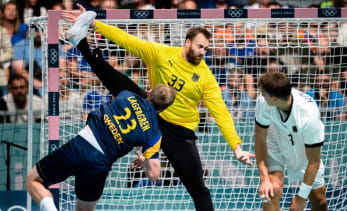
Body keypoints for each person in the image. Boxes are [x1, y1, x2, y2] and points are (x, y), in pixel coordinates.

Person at [62, 9, 255, 211]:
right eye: (199, 47)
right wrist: (95, 25)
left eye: (205, 49)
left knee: (199, 189)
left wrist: (236, 147)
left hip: (179, 131)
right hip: (151, 110)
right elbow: (129, 41)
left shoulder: (206, 77)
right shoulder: (162, 54)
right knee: (114, 78)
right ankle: (81, 41)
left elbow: (221, 113)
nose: (202, 52)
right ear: (187, 42)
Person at [25, 44, 177, 210]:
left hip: (81, 145)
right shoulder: (155, 133)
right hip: (100, 164)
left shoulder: (127, 93)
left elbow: (110, 78)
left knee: (33, 180)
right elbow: (154, 175)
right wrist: (144, 161)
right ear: (163, 109)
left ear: (149, 92)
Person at [254, 72, 328, 211]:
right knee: (272, 191)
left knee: (318, 198)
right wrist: (265, 179)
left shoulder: (309, 116)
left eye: (263, 93)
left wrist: (301, 197)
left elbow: (314, 162)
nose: (261, 95)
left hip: (301, 144)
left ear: (275, 99)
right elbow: (260, 139)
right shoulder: (263, 101)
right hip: (274, 137)